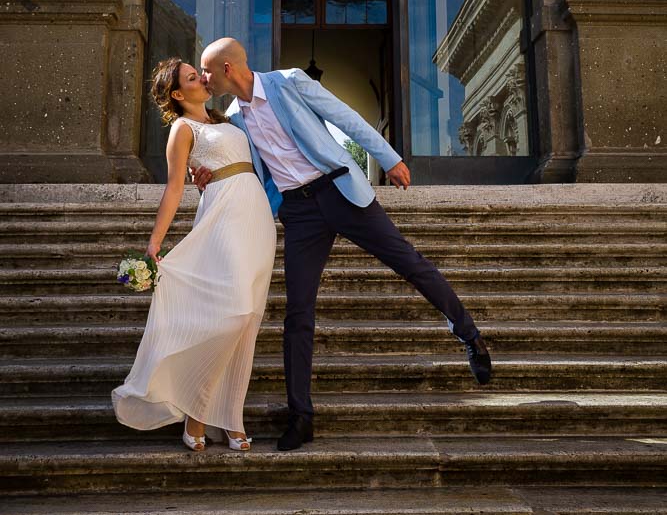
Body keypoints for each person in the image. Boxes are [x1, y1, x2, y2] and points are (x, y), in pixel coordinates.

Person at [194, 38, 493, 453]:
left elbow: (345, 117)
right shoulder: (233, 120)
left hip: (340, 191)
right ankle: (301, 417)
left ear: (228, 68)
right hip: (298, 214)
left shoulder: (289, 82)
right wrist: (205, 176)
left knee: (410, 263)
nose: (203, 79)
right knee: (298, 313)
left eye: (206, 71)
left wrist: (388, 157)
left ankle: (470, 335)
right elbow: (236, 166)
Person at [111, 58, 276, 453]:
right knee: (234, 313)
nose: (202, 79)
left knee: (249, 320)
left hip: (257, 218)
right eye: (191, 77)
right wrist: (155, 242)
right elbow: (173, 189)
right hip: (223, 216)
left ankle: (232, 417)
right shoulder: (182, 129)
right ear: (178, 94)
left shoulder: (230, 121)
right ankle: (198, 413)